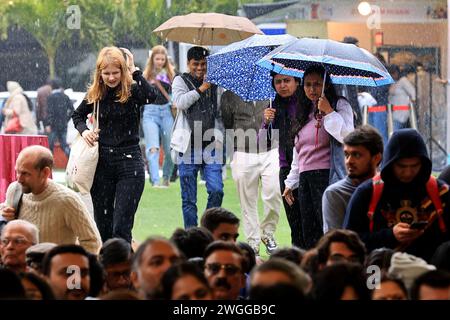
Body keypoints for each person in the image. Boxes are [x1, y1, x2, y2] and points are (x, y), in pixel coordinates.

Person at [72, 46, 159, 243]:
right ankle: (107, 268)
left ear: (122, 71)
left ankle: (123, 270)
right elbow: (77, 115)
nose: (111, 78)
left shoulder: (133, 91)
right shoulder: (95, 94)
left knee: (121, 226)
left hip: (130, 162)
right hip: (102, 163)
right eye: (106, 73)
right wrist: (84, 131)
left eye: (115, 73)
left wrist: (135, 71)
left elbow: (151, 96)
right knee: (103, 225)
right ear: (99, 73)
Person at [344, 129, 450, 261]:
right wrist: (390, 236)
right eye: (401, 166)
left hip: (429, 275)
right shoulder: (367, 193)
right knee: (372, 279)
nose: (408, 172)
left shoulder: (441, 193)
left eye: (414, 166)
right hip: (377, 272)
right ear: (390, 163)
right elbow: (348, 241)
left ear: (423, 164)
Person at [283, 64, 354, 249]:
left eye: (317, 84)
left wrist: (329, 112)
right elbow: (299, 153)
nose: (312, 89)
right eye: (307, 84)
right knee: (310, 232)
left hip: (328, 177)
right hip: (305, 180)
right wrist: (290, 183)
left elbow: (348, 137)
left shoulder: (340, 104)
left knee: (329, 230)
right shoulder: (303, 111)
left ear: (326, 85)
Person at [1, 145, 101, 253]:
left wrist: (71, 267)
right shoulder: (14, 190)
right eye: (17, 172)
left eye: (25, 173)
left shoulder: (67, 200)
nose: (19, 179)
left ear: (45, 173)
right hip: (20, 267)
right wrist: (4, 216)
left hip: (54, 268)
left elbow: (92, 242)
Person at [221, 90, 281, 256]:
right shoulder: (228, 95)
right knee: (247, 200)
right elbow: (227, 123)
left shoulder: (271, 92)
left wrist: (270, 120)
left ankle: (268, 233)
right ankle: (253, 242)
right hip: (243, 151)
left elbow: (282, 118)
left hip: (270, 149)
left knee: (274, 191)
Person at [171, 46, 224, 229]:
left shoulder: (215, 83)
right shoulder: (180, 80)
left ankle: (207, 230)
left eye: (203, 64)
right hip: (187, 147)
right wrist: (201, 89)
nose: (200, 68)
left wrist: (220, 136)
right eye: (196, 64)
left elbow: (218, 113)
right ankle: (191, 236)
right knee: (188, 199)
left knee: (217, 190)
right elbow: (180, 103)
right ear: (188, 64)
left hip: (211, 145)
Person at [262, 73, 303, 248]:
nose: (282, 85)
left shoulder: (306, 103)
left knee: (310, 221)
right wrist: (266, 122)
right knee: (294, 222)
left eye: (287, 81)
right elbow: (263, 141)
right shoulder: (273, 106)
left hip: (308, 169)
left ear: (297, 82)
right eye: (278, 82)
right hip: (286, 169)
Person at [322, 125, 383, 232]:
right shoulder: (336, 193)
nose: (349, 161)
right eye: (346, 155)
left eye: (357, 155)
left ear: (376, 158)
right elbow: (338, 243)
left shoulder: (389, 188)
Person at [142, 45, 176, 187]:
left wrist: (175, 101)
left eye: (162, 59)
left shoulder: (171, 74)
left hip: (167, 111)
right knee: (153, 147)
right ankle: (155, 181)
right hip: (150, 112)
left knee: (169, 150)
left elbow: (176, 91)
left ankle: (166, 177)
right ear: (152, 59)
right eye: (157, 59)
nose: (160, 61)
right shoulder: (146, 75)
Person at [45, 78, 74, 157]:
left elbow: (49, 112)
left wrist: (48, 124)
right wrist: (66, 119)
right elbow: (72, 110)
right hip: (63, 124)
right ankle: (72, 159)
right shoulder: (65, 96)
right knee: (64, 144)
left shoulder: (50, 97)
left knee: (50, 145)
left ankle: (49, 162)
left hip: (53, 125)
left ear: (51, 86)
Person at [388, 64, 416, 131]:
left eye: (393, 73)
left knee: (395, 132)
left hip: (401, 112)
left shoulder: (403, 81)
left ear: (397, 72)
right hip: (394, 112)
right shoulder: (393, 82)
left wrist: (410, 105)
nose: (392, 76)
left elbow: (413, 93)